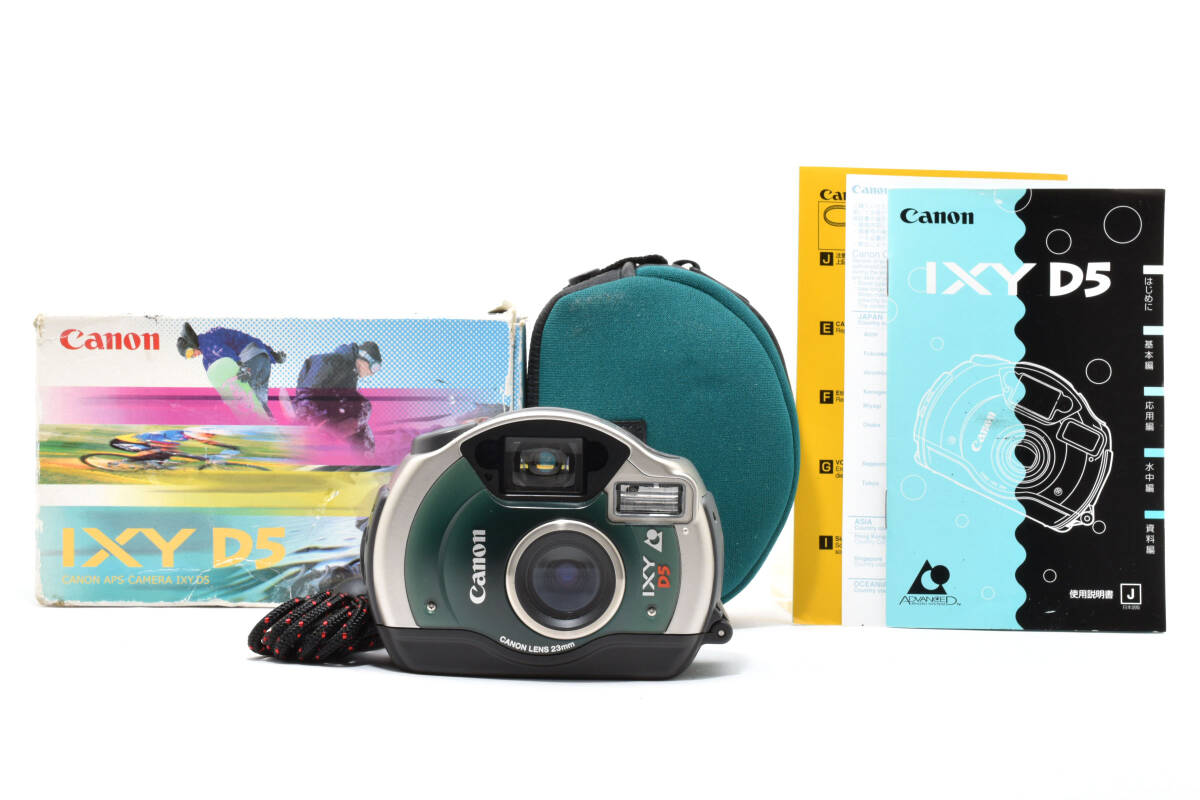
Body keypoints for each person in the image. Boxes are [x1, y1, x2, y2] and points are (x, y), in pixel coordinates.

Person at [291, 342, 382, 452]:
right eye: (374, 368)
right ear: (365, 358)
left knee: (364, 412)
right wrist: (309, 417)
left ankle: (362, 457)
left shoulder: (350, 375)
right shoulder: (332, 361)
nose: (372, 373)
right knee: (364, 406)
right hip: (312, 412)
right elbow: (308, 390)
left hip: (327, 413)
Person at [177, 322, 286, 415]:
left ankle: (261, 422)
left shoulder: (207, 343)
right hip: (263, 358)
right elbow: (246, 338)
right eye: (188, 357)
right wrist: (274, 356)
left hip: (249, 358)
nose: (192, 356)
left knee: (250, 397)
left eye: (189, 352)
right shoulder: (209, 344)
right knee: (260, 399)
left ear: (191, 343)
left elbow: (225, 352)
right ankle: (270, 424)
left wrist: (242, 367)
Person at [108, 429, 227, 463]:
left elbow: (206, 442)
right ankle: (119, 463)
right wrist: (198, 458)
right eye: (209, 434)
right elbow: (168, 447)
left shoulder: (184, 436)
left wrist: (228, 446)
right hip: (121, 441)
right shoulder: (177, 435)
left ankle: (153, 464)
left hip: (140, 442)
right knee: (158, 452)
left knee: (163, 453)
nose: (209, 437)